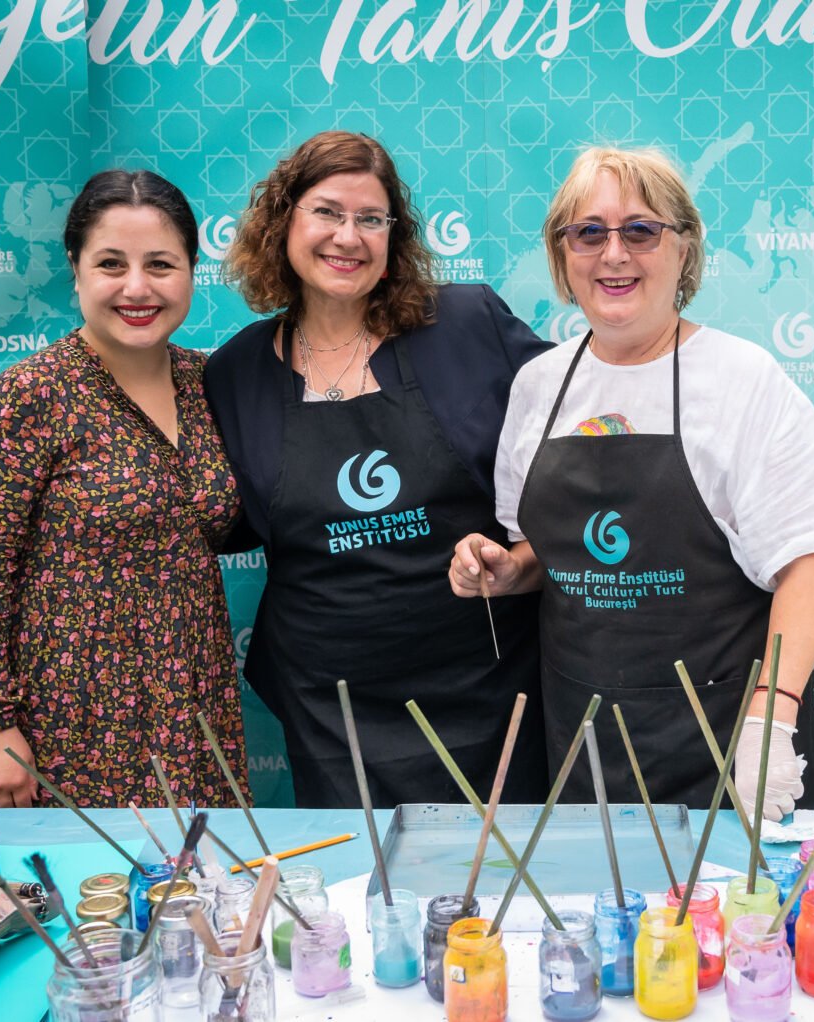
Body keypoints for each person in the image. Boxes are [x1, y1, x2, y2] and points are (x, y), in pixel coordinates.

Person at [450, 147, 814, 819]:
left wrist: (771, 718)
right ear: (562, 255)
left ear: (684, 249)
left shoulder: (741, 379)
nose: (614, 253)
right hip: (585, 739)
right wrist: (507, 570)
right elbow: (545, 552)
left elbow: (809, 563)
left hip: (728, 742)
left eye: (641, 230)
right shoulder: (539, 387)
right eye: (589, 232)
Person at [205, 131, 550, 808]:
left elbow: (573, 444)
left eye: (371, 218)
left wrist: (524, 558)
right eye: (327, 212)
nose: (348, 237)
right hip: (334, 710)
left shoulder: (466, 324)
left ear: (395, 236)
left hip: (487, 691)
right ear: (283, 223)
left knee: (505, 871)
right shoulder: (234, 372)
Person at [0, 169, 250, 837]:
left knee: (188, 887)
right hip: (59, 723)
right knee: (68, 895)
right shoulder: (23, 401)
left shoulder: (211, 384)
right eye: (111, 264)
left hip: (187, 708)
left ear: (192, 271)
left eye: (161, 264)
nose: (137, 287)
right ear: (75, 270)